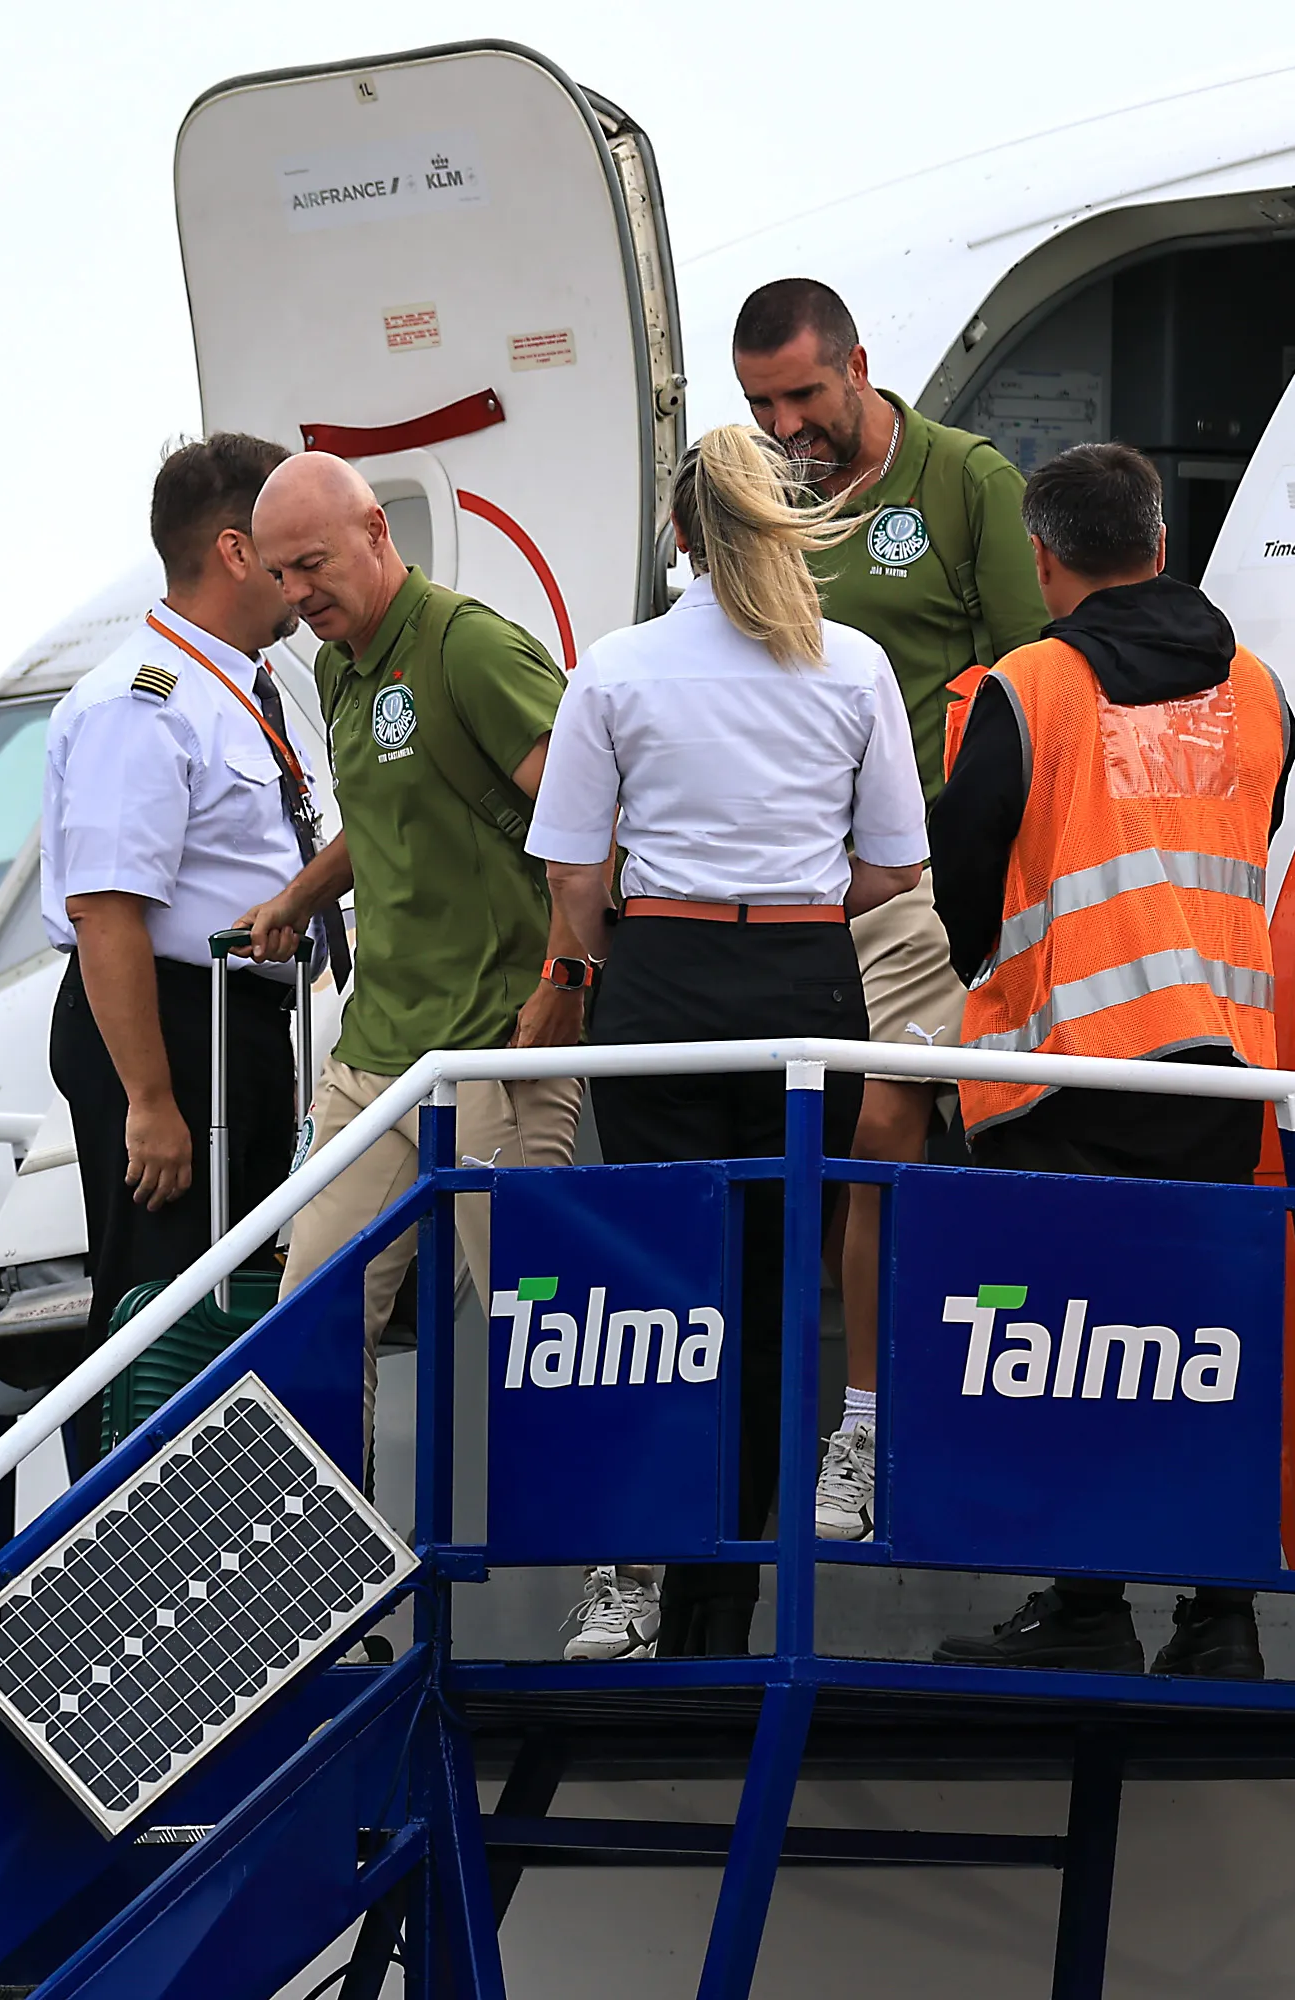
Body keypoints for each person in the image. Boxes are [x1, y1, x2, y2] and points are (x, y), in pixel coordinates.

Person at [532, 425, 929, 1660]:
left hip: (659, 980)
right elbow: (896, 863)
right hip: (805, 984)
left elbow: (574, 879)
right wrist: (797, 907)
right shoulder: (853, 665)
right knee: (770, 1297)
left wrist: (643, 940)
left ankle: (629, 1576)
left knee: (656, 1286)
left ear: (683, 537)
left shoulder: (616, 666)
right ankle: (728, 1609)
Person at [925, 443, 1295, 1677]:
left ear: (1043, 558)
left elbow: (964, 875)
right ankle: (1222, 1615)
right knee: (1199, 1342)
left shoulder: (1028, 685)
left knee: (1074, 1345)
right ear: (1160, 541)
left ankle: (1087, 1605)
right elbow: (1251, 826)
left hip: (1072, 1063)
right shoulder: (1258, 686)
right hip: (1226, 1067)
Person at [731, 279, 1049, 1546]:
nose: (786, 424)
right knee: (787, 1154)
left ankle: (863, 1434)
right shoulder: (763, 501)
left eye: (803, 394)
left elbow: (1036, 687)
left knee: (881, 1130)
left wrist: (978, 884)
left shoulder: (964, 480)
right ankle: (731, 1501)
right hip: (794, 895)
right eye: (761, 403)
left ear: (859, 365)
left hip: (921, 893)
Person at [235, 454, 585, 1478]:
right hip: (379, 1047)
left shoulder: (467, 648)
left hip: (493, 1051)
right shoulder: (343, 663)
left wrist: (564, 981)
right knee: (305, 1326)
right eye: (279, 576)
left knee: (549, 1338)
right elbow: (395, 800)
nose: (297, 595)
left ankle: (632, 1579)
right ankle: (313, 1592)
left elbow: (587, 819)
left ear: (377, 534)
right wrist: (303, 893)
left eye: (312, 564)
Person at [39, 432, 320, 1470]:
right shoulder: (142, 698)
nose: (301, 578)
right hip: (164, 1023)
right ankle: (124, 1565)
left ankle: (208, 1570)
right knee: (163, 1302)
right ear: (238, 551)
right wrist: (150, 1101)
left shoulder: (236, 682)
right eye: (288, 550)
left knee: (227, 1298)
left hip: (228, 1020)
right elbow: (108, 910)